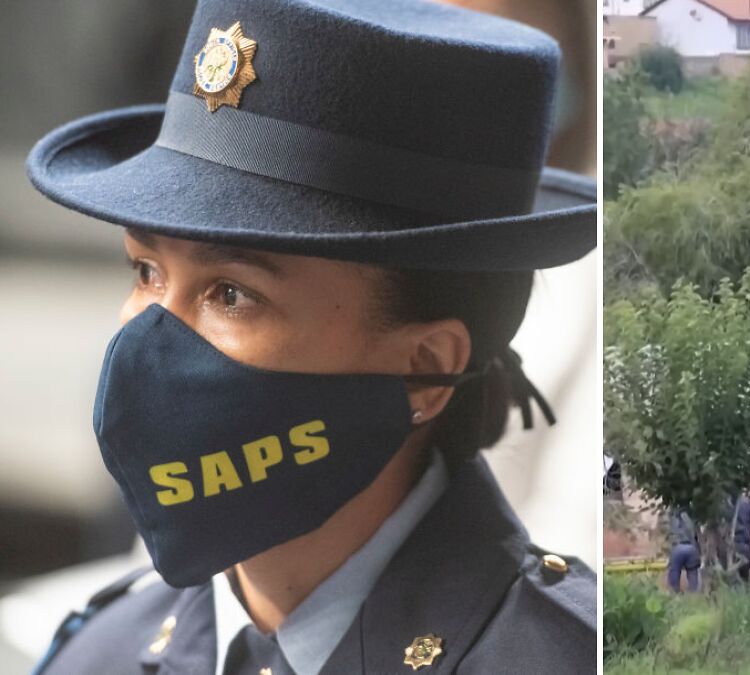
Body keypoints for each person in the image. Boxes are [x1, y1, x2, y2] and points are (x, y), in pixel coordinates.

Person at [24, 0, 597, 673]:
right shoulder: (99, 654)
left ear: (422, 368)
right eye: (145, 271)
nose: (151, 338)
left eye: (230, 294)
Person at [666, 509, 701, 593]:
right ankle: (694, 594)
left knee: (674, 571)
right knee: (692, 573)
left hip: (678, 547)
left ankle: (675, 594)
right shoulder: (691, 516)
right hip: (691, 547)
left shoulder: (673, 517)